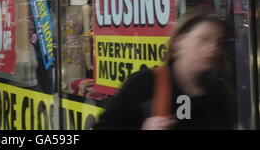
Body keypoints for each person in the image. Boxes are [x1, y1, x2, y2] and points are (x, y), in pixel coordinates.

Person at [93, 8, 236, 130]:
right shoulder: (146, 82)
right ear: (178, 42)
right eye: (204, 39)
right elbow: (103, 126)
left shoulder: (220, 91)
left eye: (219, 42)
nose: (213, 49)